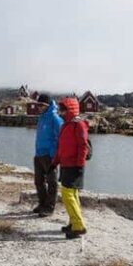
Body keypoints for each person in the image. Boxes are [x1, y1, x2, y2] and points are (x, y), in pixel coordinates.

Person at [52, 97, 90, 239]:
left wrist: (80, 165)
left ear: (70, 109)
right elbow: (61, 148)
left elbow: (83, 146)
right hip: (66, 165)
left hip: (74, 166)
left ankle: (78, 226)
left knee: (68, 195)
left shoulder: (78, 124)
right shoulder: (65, 125)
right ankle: (73, 223)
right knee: (72, 195)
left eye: (63, 109)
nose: (60, 112)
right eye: (60, 109)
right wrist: (54, 163)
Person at [33, 94, 63, 217]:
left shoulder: (55, 118)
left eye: (41, 105)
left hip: (49, 156)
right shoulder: (41, 117)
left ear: (47, 105)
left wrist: (53, 153)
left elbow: (60, 138)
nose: (38, 107)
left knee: (52, 182)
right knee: (38, 181)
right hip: (39, 154)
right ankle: (42, 203)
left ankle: (49, 207)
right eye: (38, 105)